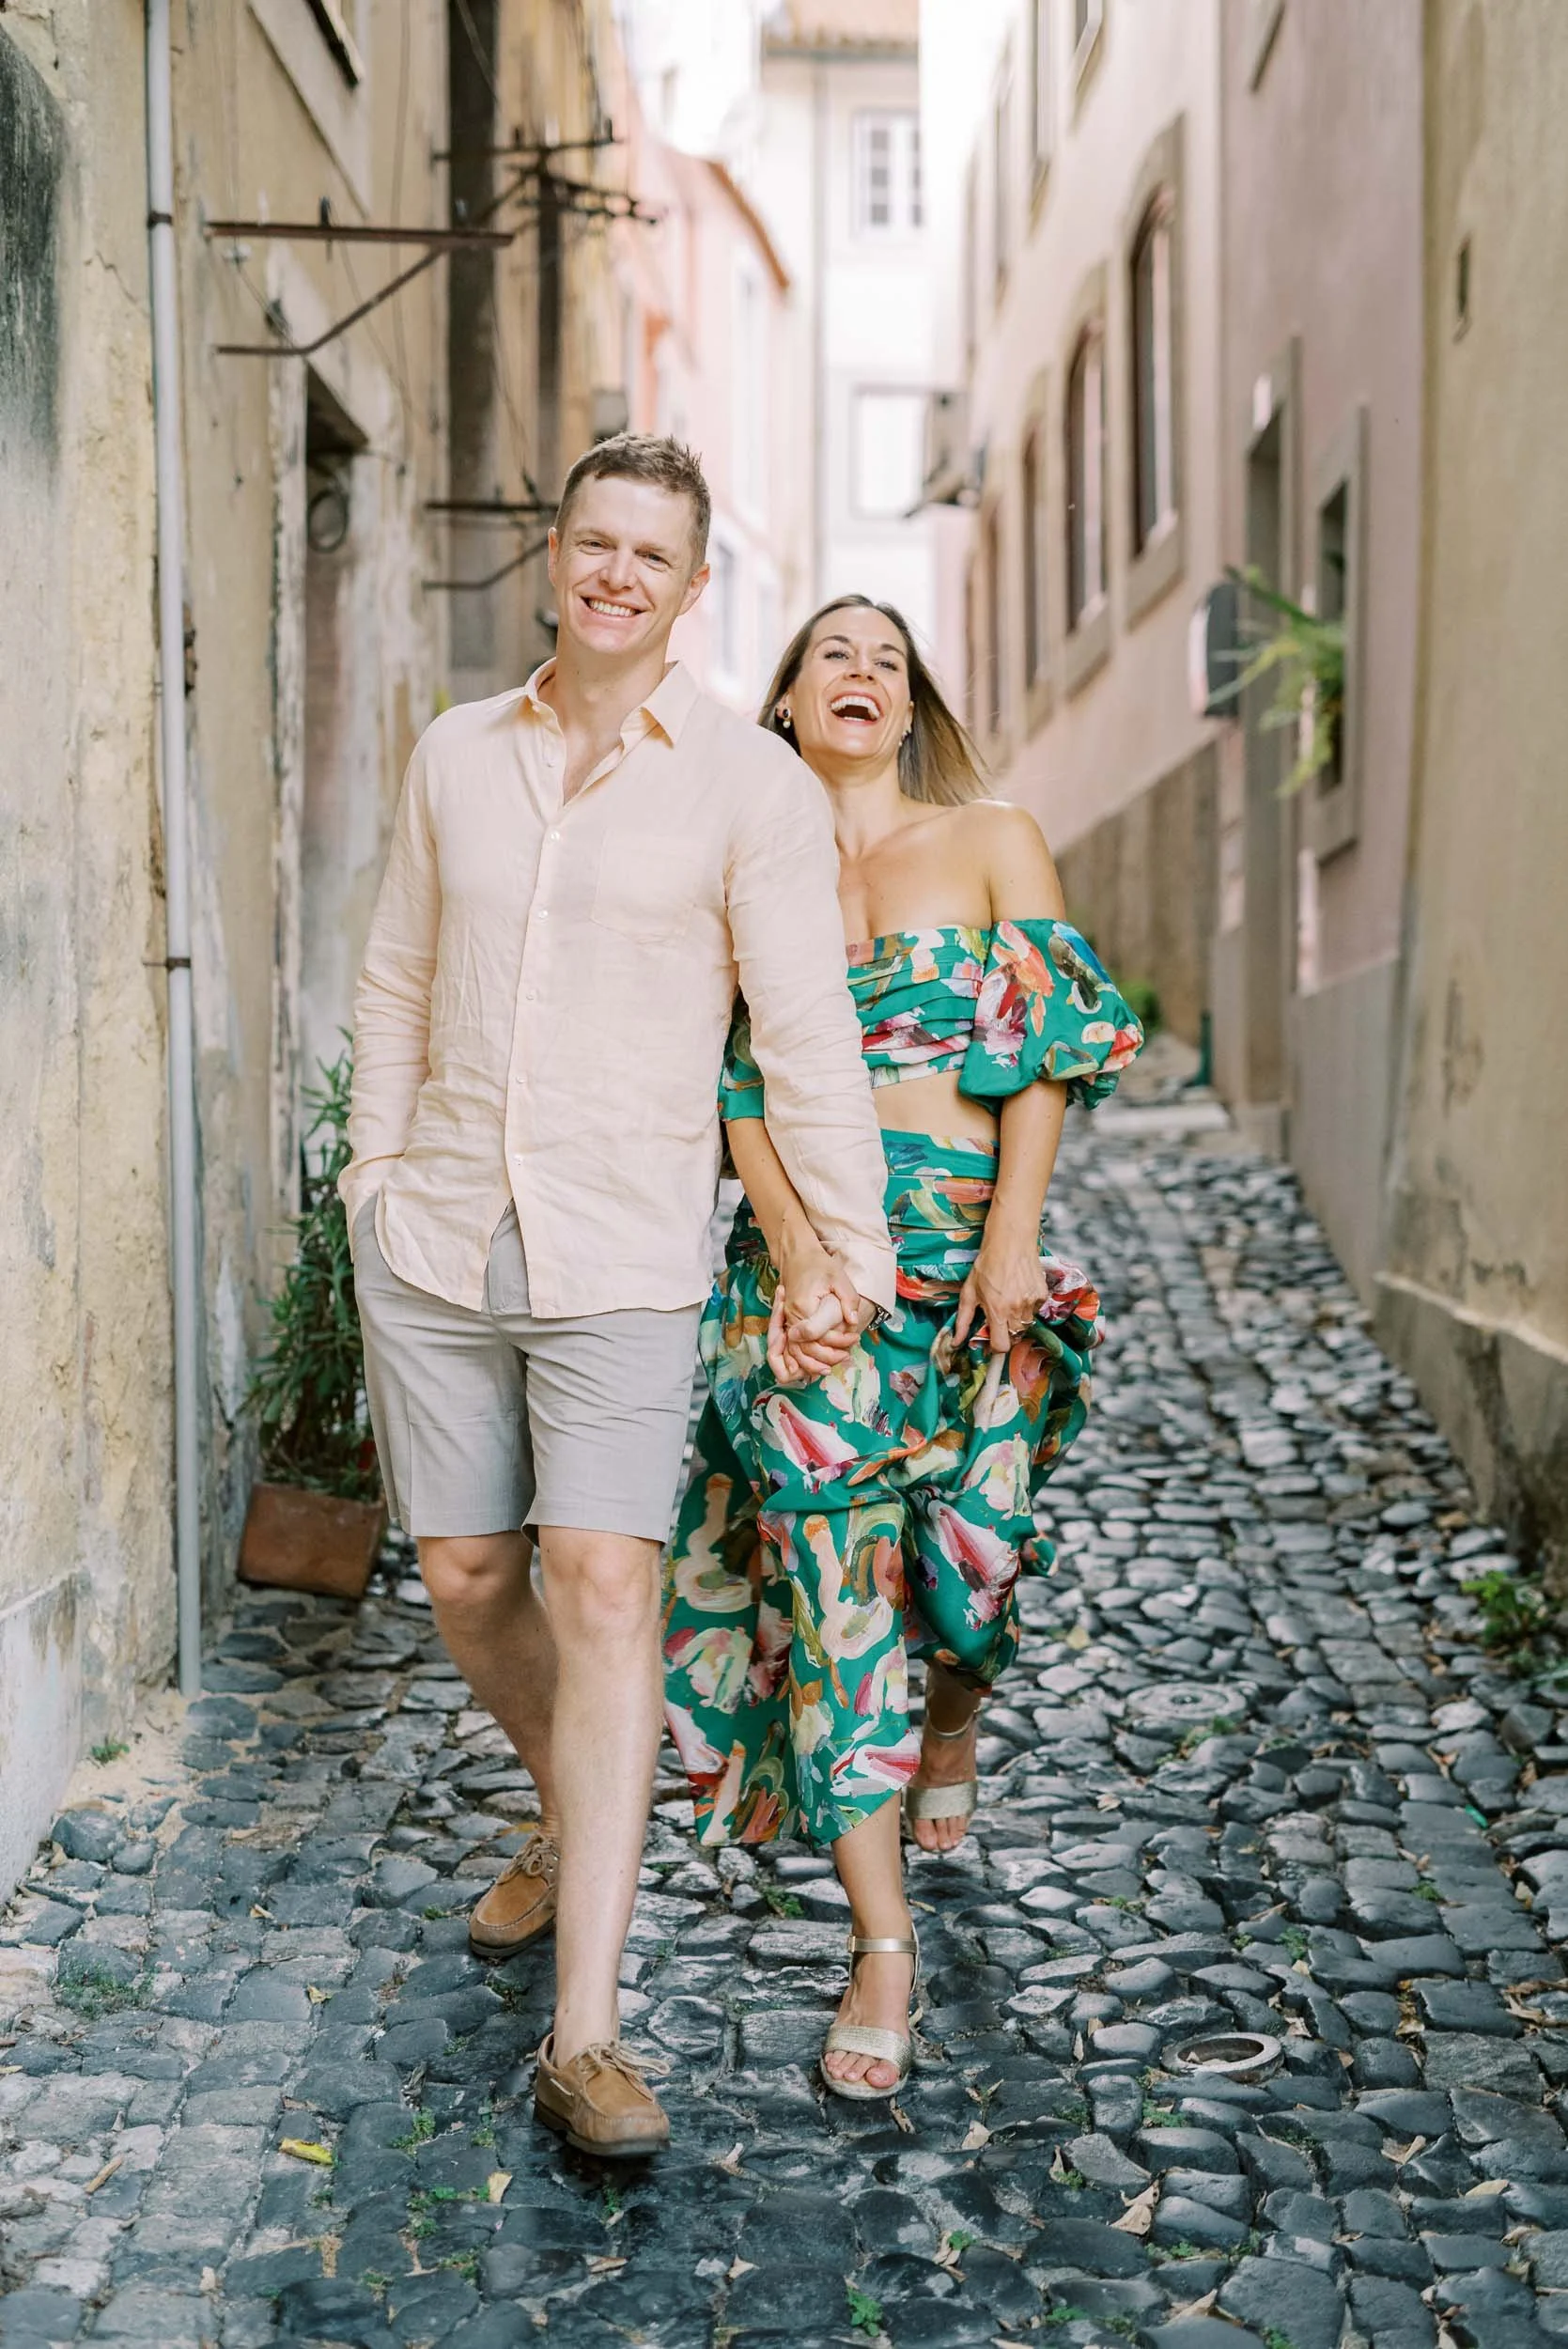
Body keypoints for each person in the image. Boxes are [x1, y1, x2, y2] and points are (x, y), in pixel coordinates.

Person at [341, 443, 896, 2158]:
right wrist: (369, 1183)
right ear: (557, 556)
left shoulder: (749, 786)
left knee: (601, 1580)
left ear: (692, 585)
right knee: (464, 1574)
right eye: (597, 543)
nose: (618, 577)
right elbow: (396, 978)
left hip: (627, 1242)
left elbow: (803, 1039)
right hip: (436, 1229)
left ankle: (586, 2038)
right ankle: (563, 1799)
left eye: (654, 555)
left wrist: (849, 1255)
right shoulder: (455, 754)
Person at [661, 595, 1143, 2099]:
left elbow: (1049, 1050)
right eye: (831, 657)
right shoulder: (755, 860)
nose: (860, 675)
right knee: (842, 1597)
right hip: (814, 1294)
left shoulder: (991, 837)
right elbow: (737, 1084)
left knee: (976, 1578)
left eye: (885, 657)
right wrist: (801, 1260)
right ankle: (881, 1947)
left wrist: (1015, 1233)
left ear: (909, 697)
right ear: (789, 702)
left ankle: (956, 1728)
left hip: (971, 1255)